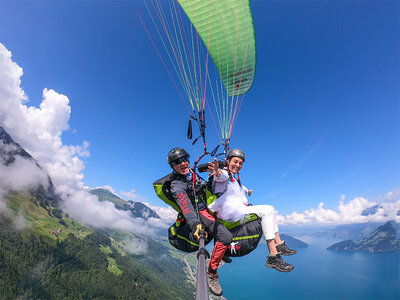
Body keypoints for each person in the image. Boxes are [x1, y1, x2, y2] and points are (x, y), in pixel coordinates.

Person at [207, 148, 296, 272]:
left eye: (240, 163)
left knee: (270, 211)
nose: (237, 165)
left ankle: (279, 244)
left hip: (233, 213)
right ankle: (273, 255)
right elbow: (221, 176)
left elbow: (237, 186)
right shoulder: (223, 174)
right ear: (228, 161)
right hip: (229, 216)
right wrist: (217, 171)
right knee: (268, 210)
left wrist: (247, 191)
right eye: (235, 162)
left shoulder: (233, 178)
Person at [166, 147, 233, 296]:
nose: (183, 163)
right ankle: (211, 272)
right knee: (226, 237)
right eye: (178, 162)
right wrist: (195, 224)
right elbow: (186, 206)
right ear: (172, 166)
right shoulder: (176, 185)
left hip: (210, 206)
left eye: (185, 159)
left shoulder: (193, 172)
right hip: (200, 212)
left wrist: (223, 167)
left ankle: (222, 250)